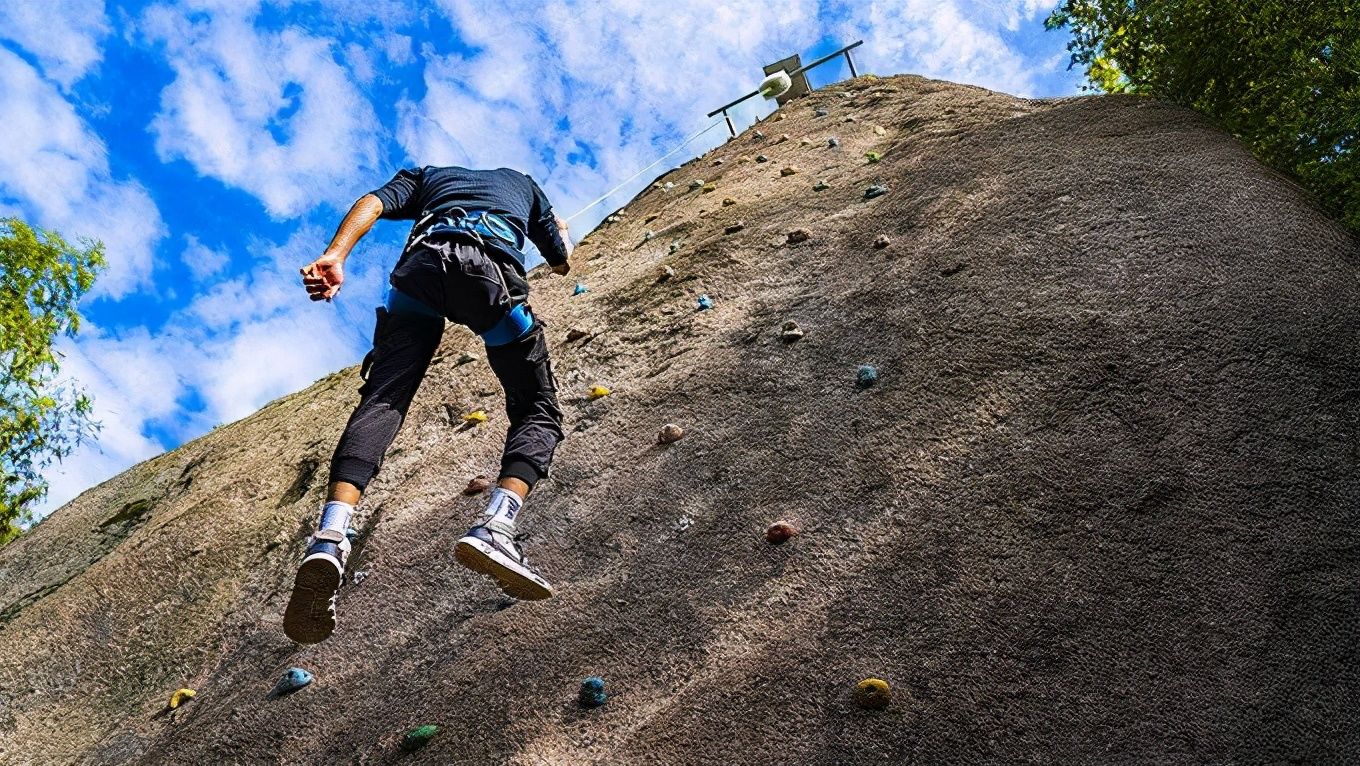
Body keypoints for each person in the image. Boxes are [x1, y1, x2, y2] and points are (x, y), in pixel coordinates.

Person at [283, 166, 573, 644]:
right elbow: (560, 262)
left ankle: (330, 536)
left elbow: (373, 203)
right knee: (536, 407)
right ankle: (496, 528)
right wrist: (560, 233)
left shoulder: (428, 176)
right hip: (488, 273)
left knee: (383, 398)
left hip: (419, 274)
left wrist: (335, 256)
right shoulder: (526, 186)